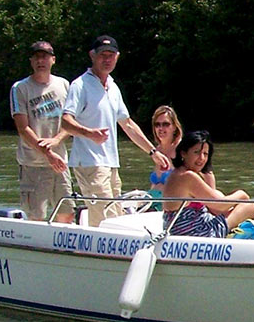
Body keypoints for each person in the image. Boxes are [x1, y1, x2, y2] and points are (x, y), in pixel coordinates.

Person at [61, 35, 171, 226]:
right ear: (92, 56)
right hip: (90, 162)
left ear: (117, 57)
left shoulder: (113, 87)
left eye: (111, 55)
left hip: (111, 163)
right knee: (104, 217)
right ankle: (100, 254)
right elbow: (65, 121)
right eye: (102, 55)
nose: (107, 59)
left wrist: (152, 152)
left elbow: (127, 124)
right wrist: (89, 133)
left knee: (116, 214)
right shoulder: (80, 85)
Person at [9, 41, 74, 222]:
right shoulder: (20, 88)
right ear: (31, 61)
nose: (41, 61)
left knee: (67, 213)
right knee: (36, 217)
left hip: (60, 162)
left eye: (45, 57)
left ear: (53, 60)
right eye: (37, 57)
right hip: (33, 164)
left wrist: (56, 141)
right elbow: (23, 129)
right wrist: (48, 154)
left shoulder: (64, 85)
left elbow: (71, 122)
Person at [162, 131, 254, 237]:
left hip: (181, 231)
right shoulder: (187, 176)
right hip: (197, 234)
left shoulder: (176, 173)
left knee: (219, 194)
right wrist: (242, 194)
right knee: (251, 207)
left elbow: (214, 206)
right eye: (196, 152)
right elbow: (220, 205)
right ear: (183, 153)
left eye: (205, 154)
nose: (201, 158)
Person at [148, 105, 186, 199]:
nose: (161, 128)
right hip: (153, 202)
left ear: (174, 127)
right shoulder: (156, 151)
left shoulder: (182, 149)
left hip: (174, 205)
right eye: (157, 125)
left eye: (165, 124)